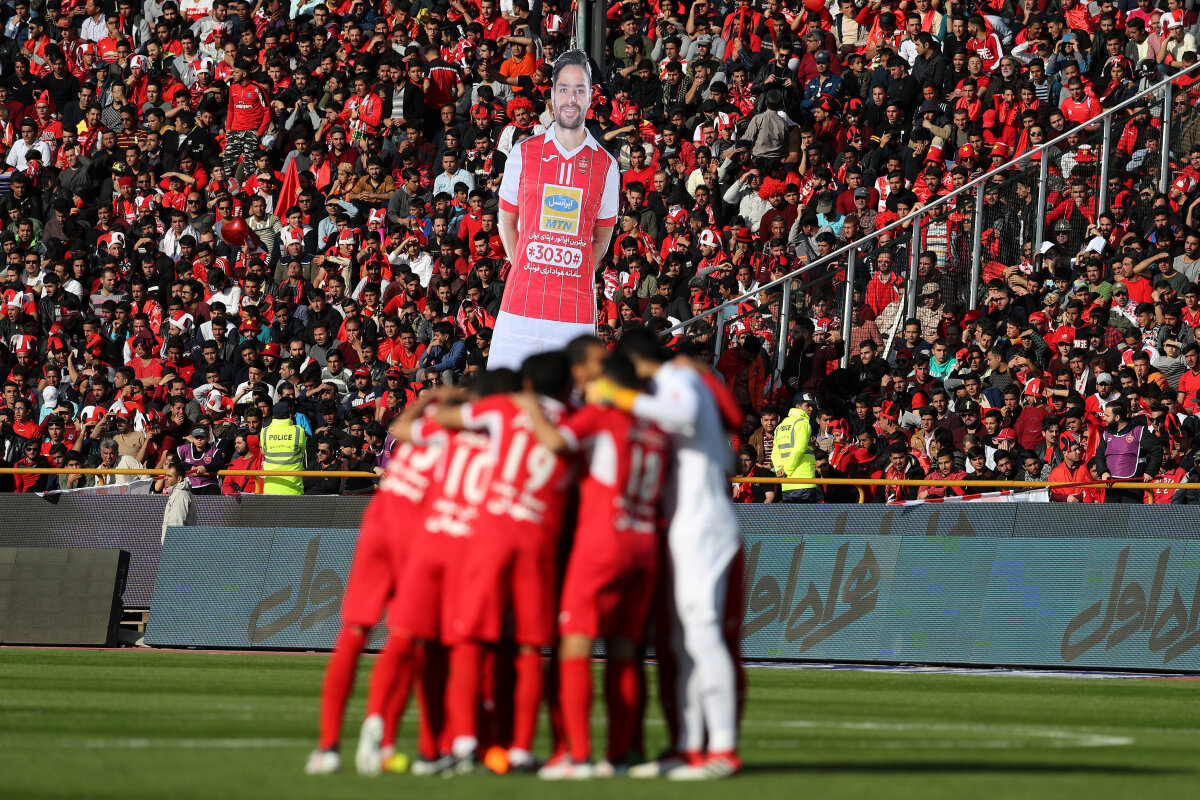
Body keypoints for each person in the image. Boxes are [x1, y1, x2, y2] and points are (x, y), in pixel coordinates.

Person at [589, 328, 744, 780]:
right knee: (679, 643)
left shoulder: (676, 378)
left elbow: (685, 413)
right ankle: (689, 748)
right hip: (686, 524)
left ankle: (722, 749)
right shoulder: (675, 382)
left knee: (702, 634)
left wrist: (620, 397)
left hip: (702, 525)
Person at [516, 352, 670, 778]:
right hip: (645, 543)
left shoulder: (602, 416)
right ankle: (618, 756)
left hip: (603, 540)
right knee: (624, 652)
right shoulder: (656, 427)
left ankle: (578, 756)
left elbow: (554, 442)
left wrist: (530, 405)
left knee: (575, 646)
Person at [306, 392, 442, 776]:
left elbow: (399, 424)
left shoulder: (411, 438)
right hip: (418, 539)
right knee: (409, 640)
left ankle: (328, 747)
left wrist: (432, 399)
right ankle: (386, 738)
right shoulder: (463, 446)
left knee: (354, 633)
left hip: (379, 528)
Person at [488, 49, 620, 369]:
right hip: (520, 308)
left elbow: (602, 235)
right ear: (552, 96)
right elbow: (507, 219)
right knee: (508, 392)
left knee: (569, 398)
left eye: (579, 90)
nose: (571, 98)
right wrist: (525, 264)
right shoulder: (523, 152)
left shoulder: (606, 165)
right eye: (563, 89)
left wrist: (574, 269)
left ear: (589, 97)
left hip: (573, 314)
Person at [772, 394, 820, 503]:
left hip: (786, 484)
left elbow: (775, 453)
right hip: (804, 481)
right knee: (806, 514)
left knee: (790, 514)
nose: (811, 409)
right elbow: (799, 449)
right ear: (798, 406)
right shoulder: (803, 423)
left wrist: (780, 470)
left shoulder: (780, 426)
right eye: (808, 405)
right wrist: (787, 470)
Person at [261, 400, 307, 495]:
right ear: (289, 415)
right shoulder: (299, 431)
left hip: (270, 489)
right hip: (294, 489)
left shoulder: (265, 431)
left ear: (273, 416)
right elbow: (302, 453)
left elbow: (264, 452)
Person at [160, 458, 196, 543]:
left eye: (169, 476)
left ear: (179, 479)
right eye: (166, 475)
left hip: (176, 545)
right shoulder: (178, 493)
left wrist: (171, 545)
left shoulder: (180, 495)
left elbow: (177, 523)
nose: (165, 478)